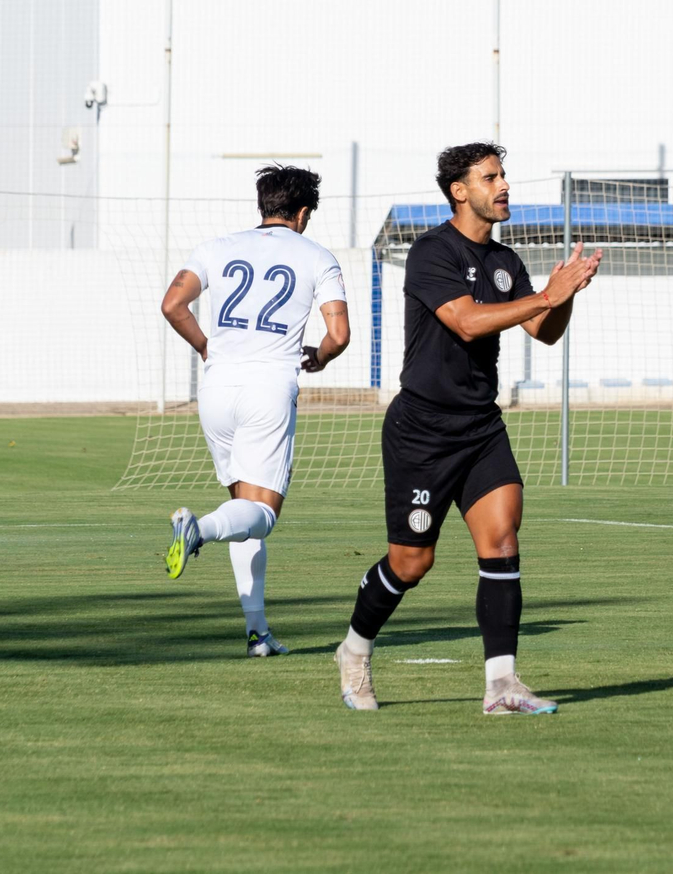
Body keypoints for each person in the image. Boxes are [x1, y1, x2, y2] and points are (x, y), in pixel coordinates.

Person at [334, 143, 600, 713]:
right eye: (491, 177)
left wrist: (563, 297)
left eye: (505, 176)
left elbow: (544, 332)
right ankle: (354, 652)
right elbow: (466, 321)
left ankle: (502, 687)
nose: (504, 186)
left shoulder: (506, 262)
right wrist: (546, 296)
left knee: (503, 542)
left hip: (481, 427)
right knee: (411, 562)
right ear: (460, 191)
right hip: (422, 432)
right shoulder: (432, 251)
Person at [161, 164, 350, 657]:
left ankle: (257, 633)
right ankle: (195, 529)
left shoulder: (215, 249)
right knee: (261, 514)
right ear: (304, 212)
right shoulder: (318, 258)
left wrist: (207, 348)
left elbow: (172, 304)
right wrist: (320, 357)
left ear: (264, 204)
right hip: (268, 389)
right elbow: (339, 335)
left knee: (241, 511)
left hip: (217, 390)